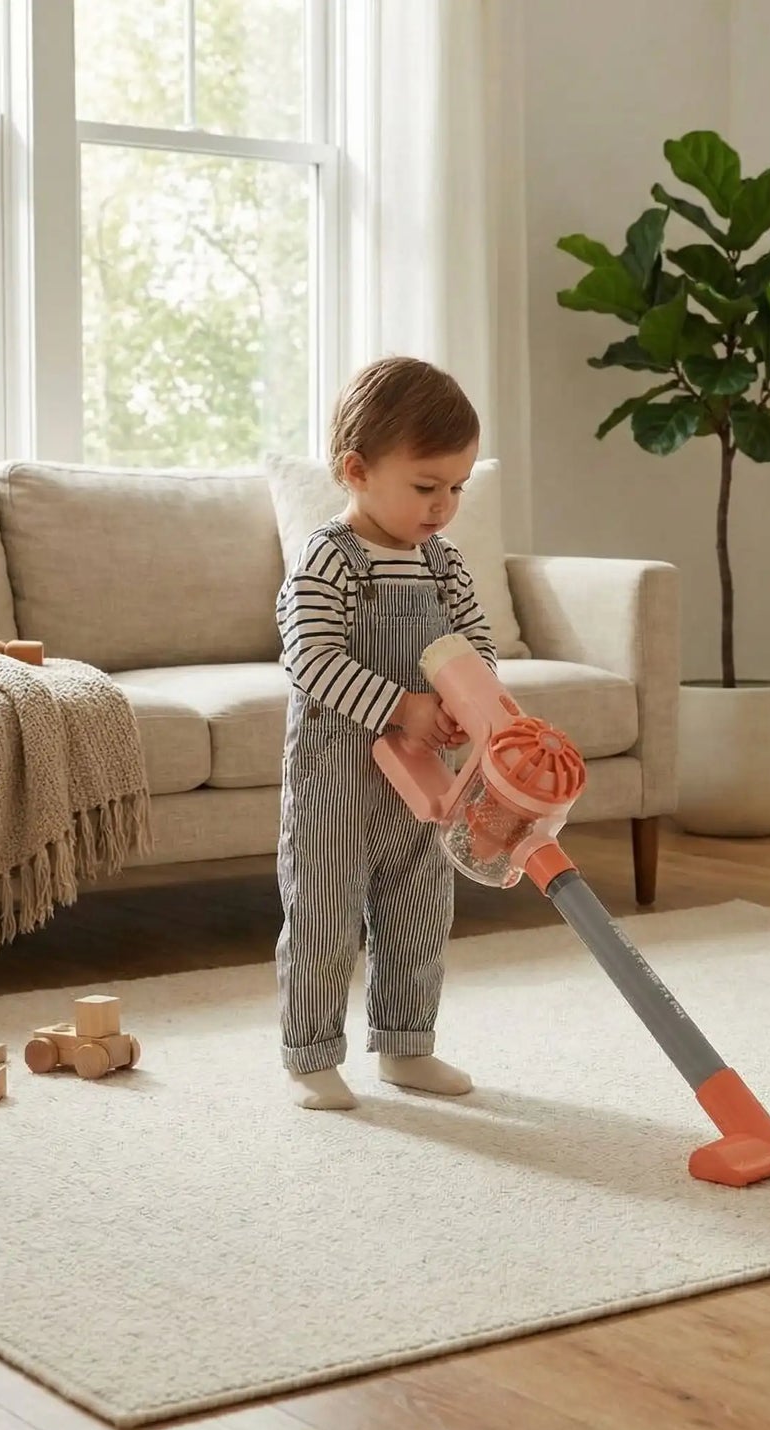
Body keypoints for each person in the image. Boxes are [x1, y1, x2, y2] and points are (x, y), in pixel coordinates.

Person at [274, 356, 492, 1109]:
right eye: (426, 487)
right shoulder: (324, 559)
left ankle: (406, 1044)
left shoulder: (445, 565)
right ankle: (310, 1053)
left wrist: (473, 700)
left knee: (419, 905)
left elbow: (476, 645)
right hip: (338, 769)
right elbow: (310, 659)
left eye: (457, 487)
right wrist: (403, 705)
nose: (443, 506)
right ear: (356, 470)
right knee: (324, 911)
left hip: (427, 775)